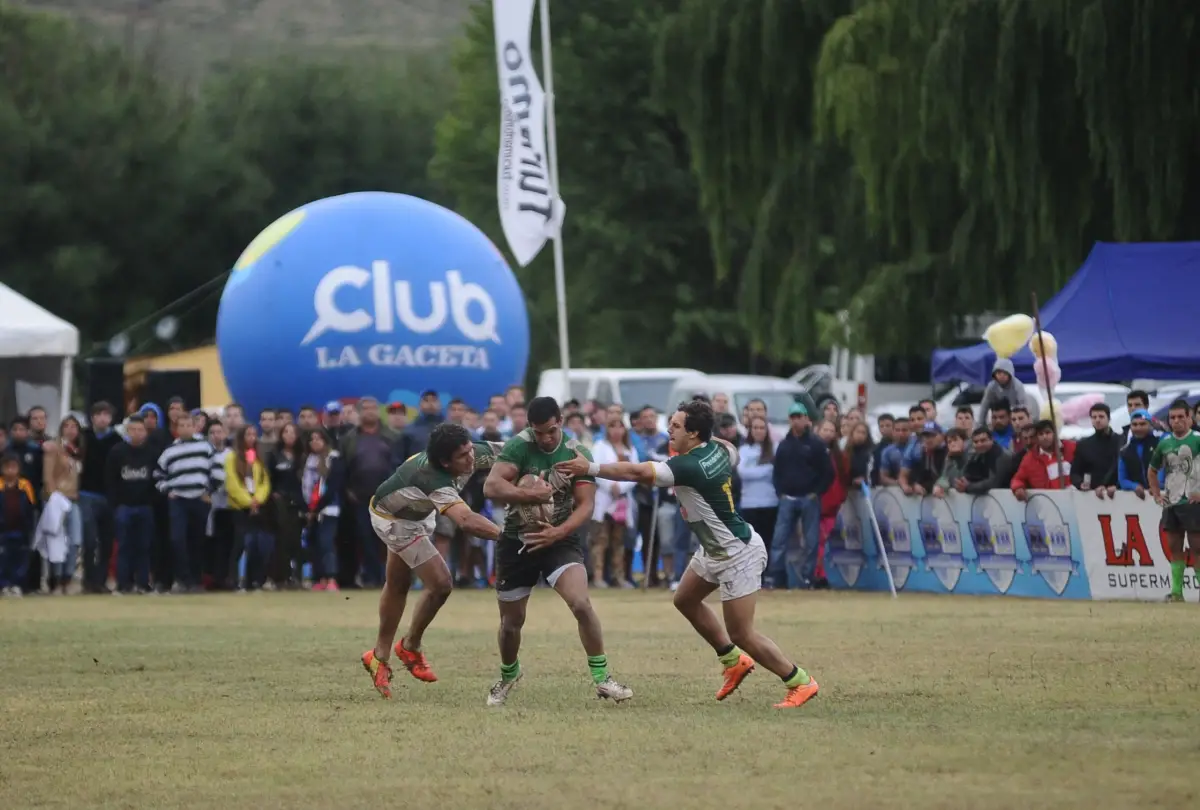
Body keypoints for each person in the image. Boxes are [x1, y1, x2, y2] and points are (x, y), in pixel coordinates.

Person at [557, 399, 819, 709]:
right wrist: (706, 431)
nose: (669, 429)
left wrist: (590, 468)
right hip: (714, 548)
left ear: (694, 434)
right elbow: (724, 444)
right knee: (684, 599)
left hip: (738, 554)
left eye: (677, 426)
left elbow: (637, 472)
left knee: (742, 632)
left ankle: (799, 680)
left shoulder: (686, 466)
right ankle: (733, 661)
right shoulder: (721, 451)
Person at [482, 397, 633, 706]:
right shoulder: (519, 446)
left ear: (561, 422)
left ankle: (603, 679)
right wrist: (527, 493)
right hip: (517, 540)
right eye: (538, 432)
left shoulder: (576, 453)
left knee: (581, 603)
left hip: (561, 538)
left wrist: (557, 533)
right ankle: (509, 675)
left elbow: (586, 506)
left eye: (550, 431)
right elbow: (491, 486)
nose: (545, 438)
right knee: (511, 624)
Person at [361, 424, 508, 699]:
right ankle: (410, 646)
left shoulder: (470, 452)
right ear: (444, 462)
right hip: (395, 521)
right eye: (463, 456)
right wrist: (508, 537)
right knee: (440, 583)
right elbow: (465, 520)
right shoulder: (433, 477)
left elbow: (513, 452)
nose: (471, 459)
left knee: (397, 585)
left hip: (415, 512)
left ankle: (378, 657)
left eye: (469, 450)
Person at [769, 402, 832, 589]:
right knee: (779, 540)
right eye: (793, 417)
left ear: (807, 419)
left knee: (811, 541)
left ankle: (808, 577)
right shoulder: (784, 445)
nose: (796, 421)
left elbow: (828, 472)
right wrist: (780, 492)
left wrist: (817, 492)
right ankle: (777, 577)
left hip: (809, 498)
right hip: (787, 498)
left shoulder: (816, 444)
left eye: (800, 417)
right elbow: (777, 471)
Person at [1147, 400, 1200, 603]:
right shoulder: (1165, 443)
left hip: (1193, 503)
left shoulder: (1197, 439)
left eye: (1180, 417)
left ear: (1189, 418)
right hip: (1172, 503)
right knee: (1174, 546)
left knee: (1197, 547)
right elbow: (1152, 470)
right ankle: (1177, 593)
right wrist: (1156, 494)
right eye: (1172, 417)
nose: (1176, 421)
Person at [105, 416, 158, 594]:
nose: (136, 433)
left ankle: (143, 584)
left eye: (140, 430)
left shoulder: (152, 452)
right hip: (123, 507)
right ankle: (123, 584)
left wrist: (152, 501)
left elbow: (155, 480)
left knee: (144, 546)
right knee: (124, 546)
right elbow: (110, 480)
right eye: (133, 429)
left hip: (145, 506)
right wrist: (115, 505)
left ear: (145, 432)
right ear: (127, 431)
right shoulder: (117, 452)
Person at [589, 416, 638, 588]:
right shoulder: (599, 447)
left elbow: (636, 473)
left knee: (619, 540)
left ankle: (619, 576)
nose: (616, 431)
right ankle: (598, 576)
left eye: (620, 427)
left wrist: (622, 488)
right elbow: (594, 469)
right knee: (600, 540)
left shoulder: (629, 449)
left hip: (622, 501)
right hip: (603, 497)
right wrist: (610, 486)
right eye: (612, 427)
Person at [224, 425, 273, 591]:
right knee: (239, 545)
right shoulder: (231, 457)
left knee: (256, 546)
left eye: (254, 434)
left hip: (256, 507)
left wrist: (257, 500)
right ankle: (234, 580)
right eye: (248, 434)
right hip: (239, 508)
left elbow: (263, 482)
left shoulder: (256, 457)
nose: (252, 437)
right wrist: (248, 502)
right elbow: (232, 484)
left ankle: (253, 580)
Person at [303, 428, 345, 592]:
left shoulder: (334, 459)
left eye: (318, 438)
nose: (315, 442)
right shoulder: (309, 460)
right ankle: (320, 577)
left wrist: (318, 506)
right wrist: (309, 508)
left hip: (329, 509)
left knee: (326, 542)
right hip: (311, 510)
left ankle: (331, 577)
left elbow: (334, 486)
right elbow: (306, 485)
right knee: (315, 544)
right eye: (312, 439)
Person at [0, 453, 36, 597]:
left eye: (13, 467)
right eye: (7, 467)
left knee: (20, 559)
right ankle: (4, 585)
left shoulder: (25, 485)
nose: (10, 470)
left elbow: (31, 507)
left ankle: (16, 585)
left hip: (20, 530)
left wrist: (29, 527)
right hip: (3, 530)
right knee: (4, 559)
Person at [1011, 420, 1077, 498]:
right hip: (1046, 503)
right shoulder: (1029, 458)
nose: (1044, 437)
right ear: (1036, 437)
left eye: (1047, 432)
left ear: (1054, 433)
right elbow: (1018, 479)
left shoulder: (1071, 448)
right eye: (1041, 434)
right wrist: (1018, 488)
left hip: (1074, 500)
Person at [1117, 410, 1160, 500]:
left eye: (1142, 424)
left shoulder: (1160, 444)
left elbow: (1165, 471)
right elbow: (1122, 480)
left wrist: (1156, 485)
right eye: (1135, 424)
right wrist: (1134, 486)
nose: (1138, 428)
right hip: (1139, 500)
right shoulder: (1125, 451)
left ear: (1150, 425)